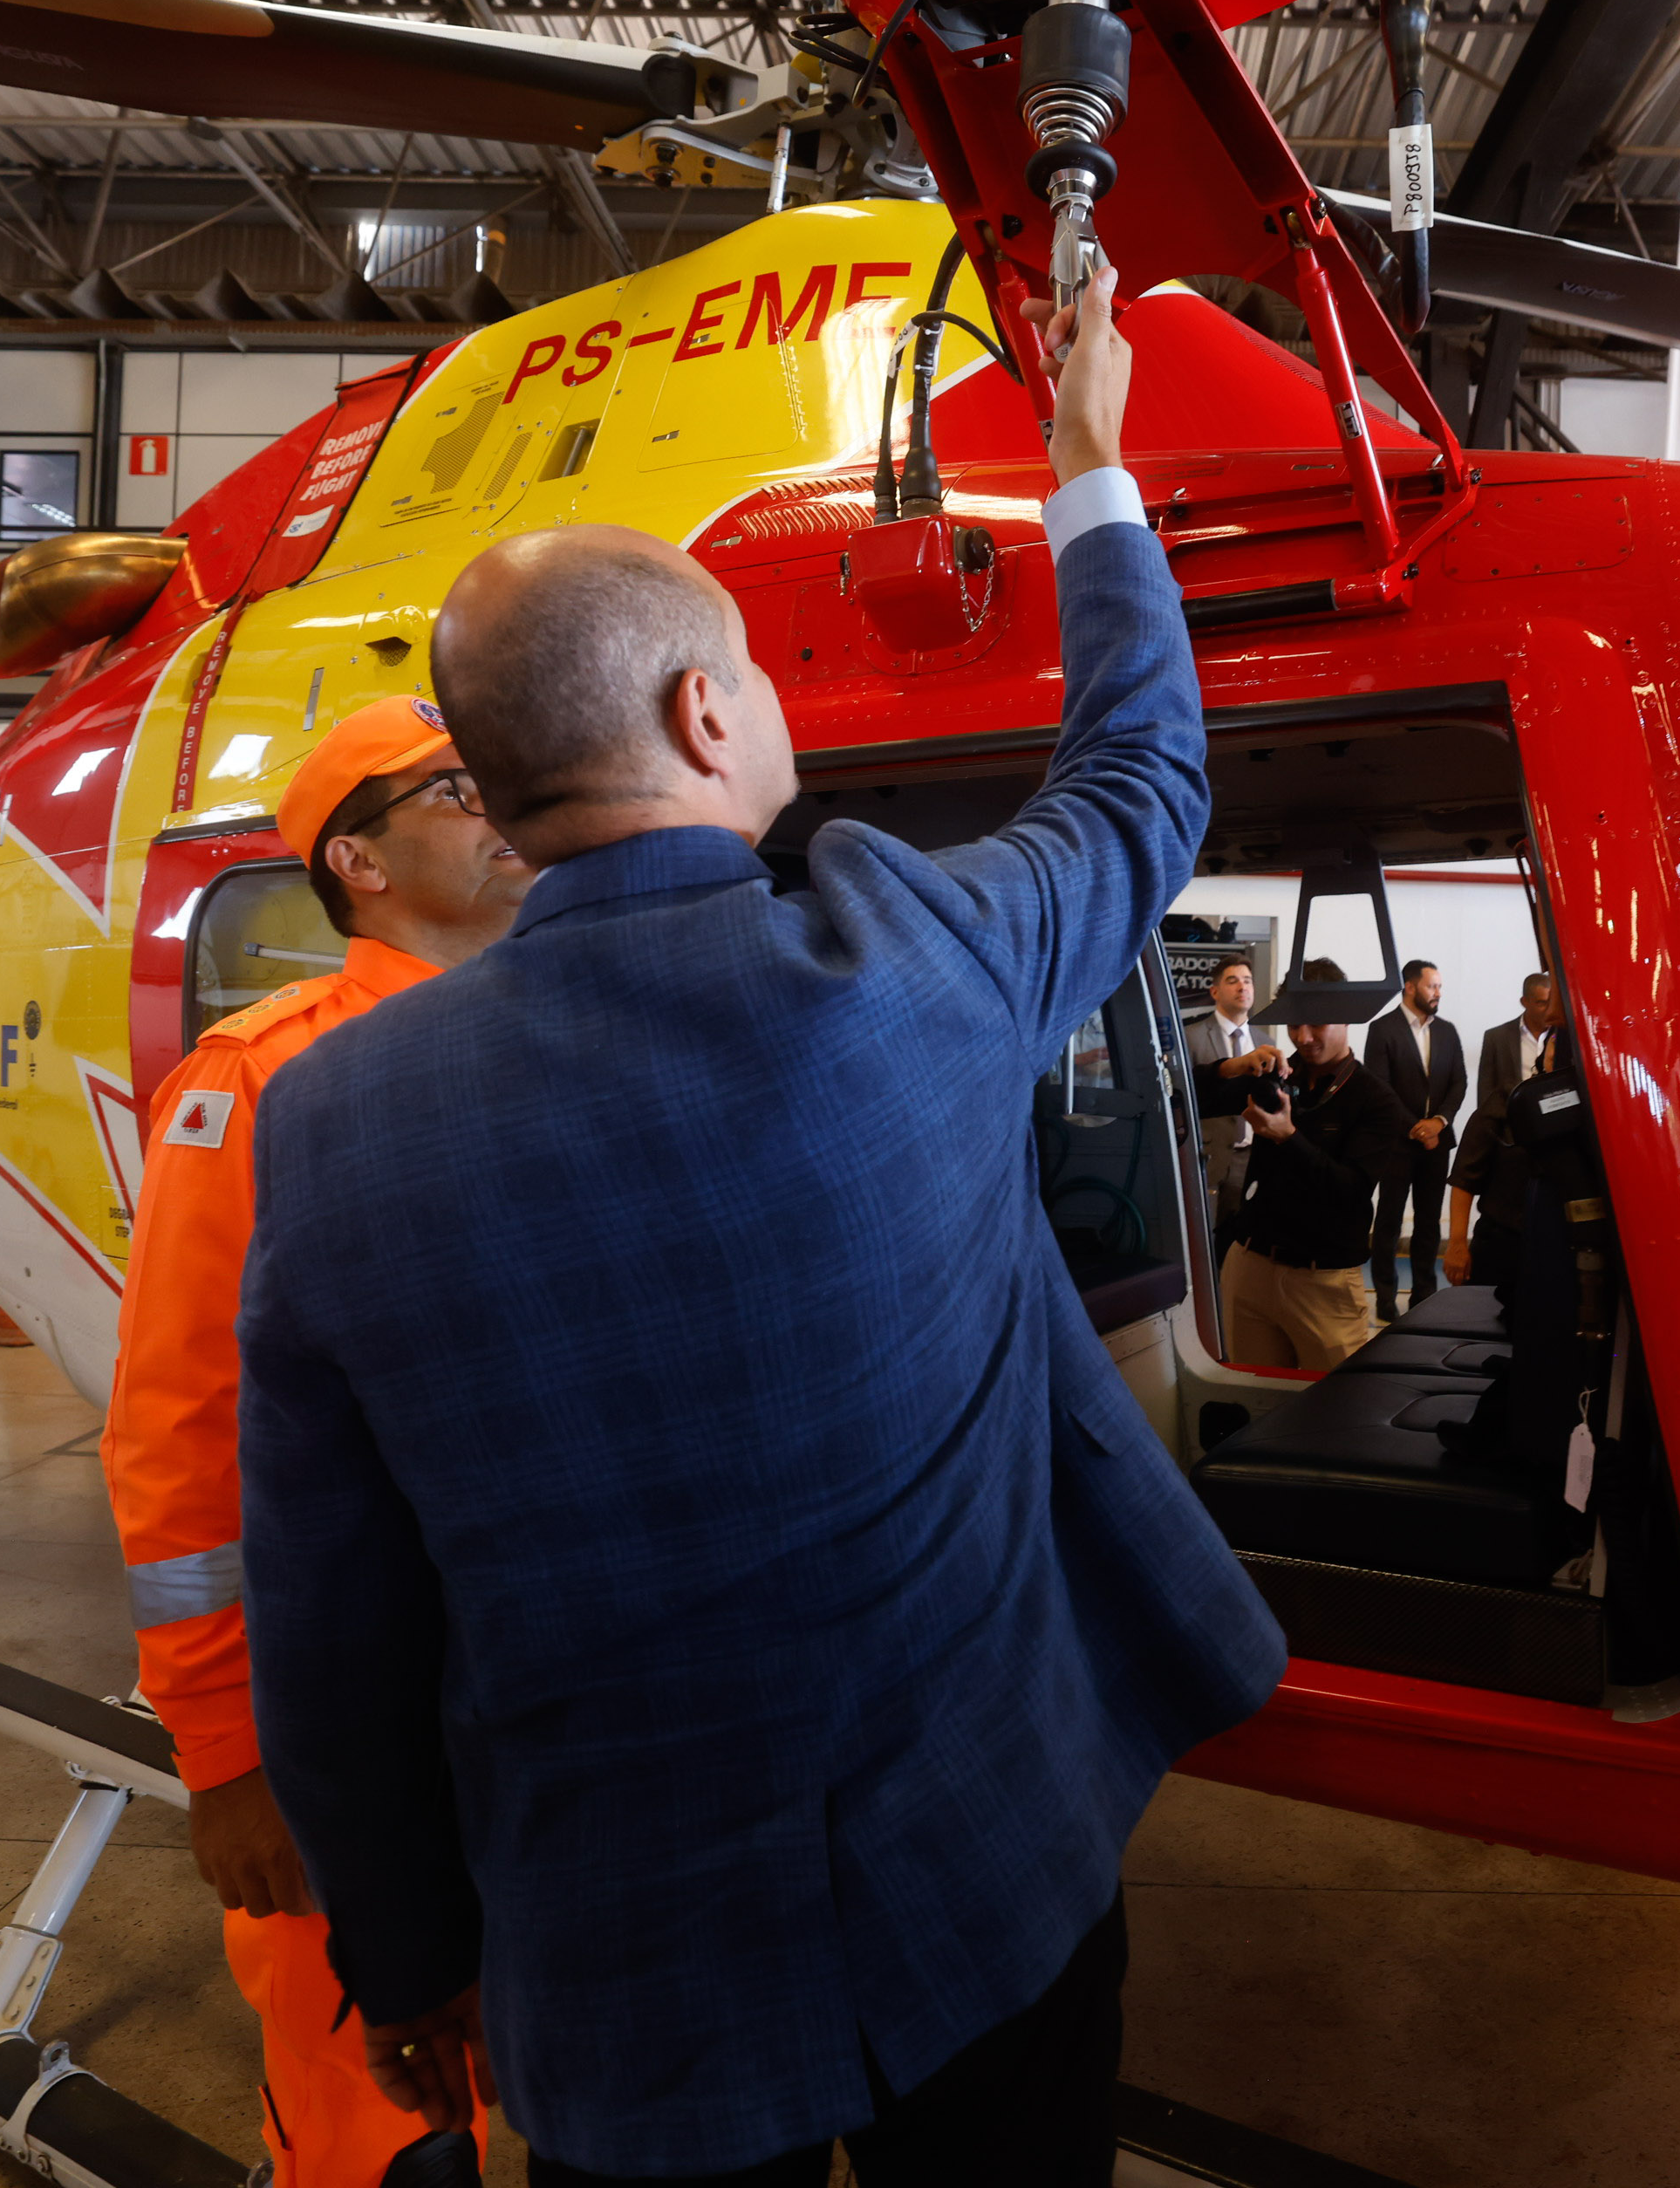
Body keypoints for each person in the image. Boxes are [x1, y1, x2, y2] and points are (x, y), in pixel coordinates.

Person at [232, 266, 1284, 2187]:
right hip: (991, 1890)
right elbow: (1142, 775)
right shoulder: (924, 949)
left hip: (624, 1974)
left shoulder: (333, 1123)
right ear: (705, 710)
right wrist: (1090, 463)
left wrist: (410, 1950)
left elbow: (331, 1625)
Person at [105, 694, 529, 2188]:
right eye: (456, 787)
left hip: (544, 1692)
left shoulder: (570, 1037)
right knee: (378, 2110)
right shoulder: (256, 1080)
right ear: (358, 858)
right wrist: (227, 1752)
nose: (501, 803)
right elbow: (179, 1432)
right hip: (359, 1712)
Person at [1212, 957, 1411, 1371]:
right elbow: (1191, 1098)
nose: (1303, 1037)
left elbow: (1349, 1190)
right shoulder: (1276, 1077)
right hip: (1250, 1268)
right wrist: (1233, 1067)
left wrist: (1289, 1137)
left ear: (1346, 1017)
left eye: (1317, 1024)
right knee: (1254, 1398)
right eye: (1293, 1024)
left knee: (1337, 1404)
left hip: (1325, 1282)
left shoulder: (1376, 1099)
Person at [1362, 959, 1466, 1320]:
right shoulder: (1382, 1029)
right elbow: (1379, 1087)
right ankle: (1385, 1296)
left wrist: (1438, 1123)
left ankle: (1424, 1294)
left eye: (1439, 987)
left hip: (1437, 1144)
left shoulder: (1448, 1031)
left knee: (1428, 1221)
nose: (1438, 993)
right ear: (1410, 987)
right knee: (1389, 1221)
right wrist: (1416, 1128)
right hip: (1396, 1143)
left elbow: (1459, 1082)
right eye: (1431, 986)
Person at [1444, 971, 1561, 1289]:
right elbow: (1465, 1176)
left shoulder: (1581, 1108)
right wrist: (1457, 1243)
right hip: (1503, 1233)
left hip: (1555, 1239)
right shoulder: (1502, 1101)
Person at [1181, 956, 1276, 1247]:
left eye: (1247, 981)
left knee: (1239, 1243)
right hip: (1204, 1156)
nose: (1242, 987)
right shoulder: (1191, 1036)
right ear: (1215, 991)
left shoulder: (1265, 1042)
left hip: (1249, 1157)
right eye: (1232, 981)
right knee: (1200, 1241)